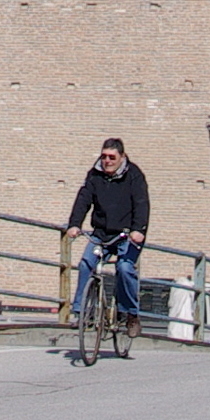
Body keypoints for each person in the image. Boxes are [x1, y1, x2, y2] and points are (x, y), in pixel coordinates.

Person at [67, 138, 150, 336]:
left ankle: (130, 314)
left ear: (122, 157)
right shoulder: (94, 174)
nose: (107, 161)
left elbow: (141, 203)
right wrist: (74, 224)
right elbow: (83, 199)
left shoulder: (134, 175)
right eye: (104, 156)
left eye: (112, 157)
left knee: (124, 268)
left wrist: (139, 229)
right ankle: (81, 311)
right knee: (86, 263)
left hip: (127, 234)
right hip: (101, 233)